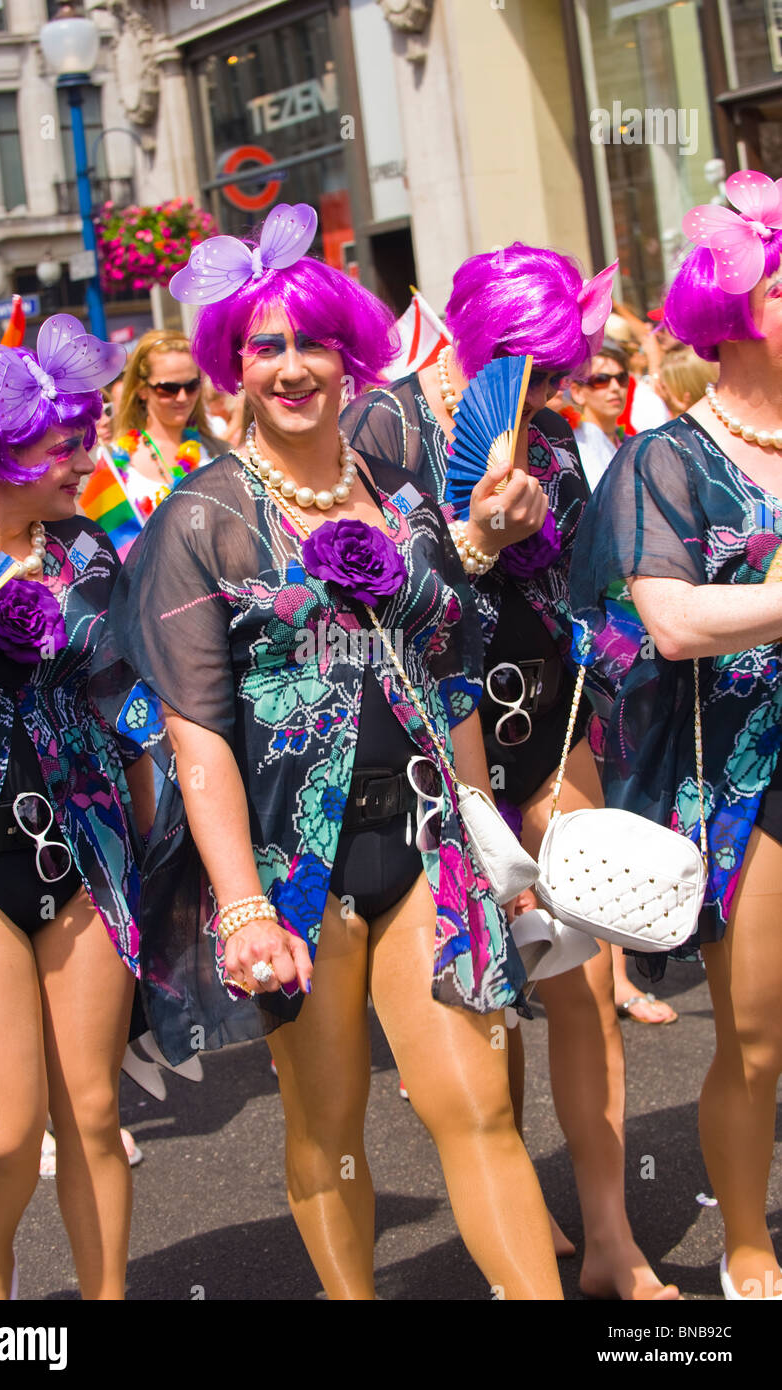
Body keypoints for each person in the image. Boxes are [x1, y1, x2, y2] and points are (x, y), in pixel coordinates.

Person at [93, 205, 563, 1301]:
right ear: (231, 365)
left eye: (311, 342)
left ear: (348, 352)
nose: (292, 366)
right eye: (265, 345)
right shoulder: (198, 521)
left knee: (480, 1105)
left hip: (423, 834)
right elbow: (198, 729)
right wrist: (243, 903)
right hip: (293, 865)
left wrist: (488, 822)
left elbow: (447, 663)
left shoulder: (395, 488)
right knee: (325, 1125)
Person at [343, 243, 678, 1299]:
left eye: (562, 369)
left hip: (547, 728)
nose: (550, 392)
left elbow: (574, 591)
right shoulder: (384, 428)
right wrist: (477, 539)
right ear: (484, 345)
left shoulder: (547, 436)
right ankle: (517, 1207)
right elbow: (388, 607)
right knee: (488, 991)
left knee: (581, 980)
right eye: (534, 368)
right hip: (438, 754)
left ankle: (613, 1236)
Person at [570, 169, 782, 1300]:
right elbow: (669, 620)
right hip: (749, 772)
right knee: (755, 1038)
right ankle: (744, 1237)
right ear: (738, 310)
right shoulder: (667, 458)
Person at [0, 315, 153, 1300]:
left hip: (86, 847)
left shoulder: (89, 546)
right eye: (62, 444)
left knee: (92, 1112)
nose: (83, 457)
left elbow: (129, 701)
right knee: (8, 1132)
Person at [82, 330, 222, 526]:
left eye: (191, 386)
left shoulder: (220, 453)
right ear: (142, 389)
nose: (182, 397)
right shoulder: (109, 461)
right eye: (168, 388)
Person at [569, 342, 630, 491]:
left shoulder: (630, 440)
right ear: (577, 392)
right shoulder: (573, 445)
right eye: (601, 380)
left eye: (621, 378)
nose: (616, 388)